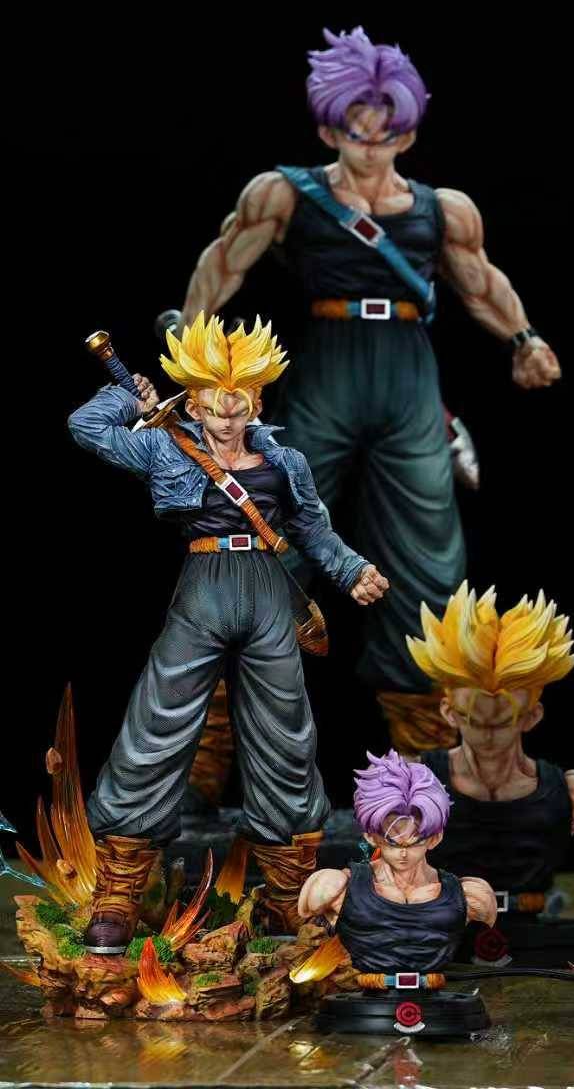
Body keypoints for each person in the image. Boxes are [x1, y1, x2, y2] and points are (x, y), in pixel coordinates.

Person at [174, 27, 560, 757]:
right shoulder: (283, 192)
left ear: (406, 135)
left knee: (428, 551)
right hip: (328, 366)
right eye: (358, 132)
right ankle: (218, 729)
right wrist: (191, 344)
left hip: (408, 376)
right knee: (272, 520)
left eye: (388, 134)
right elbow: (223, 263)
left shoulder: (443, 208)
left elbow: (480, 282)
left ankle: (422, 754)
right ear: (331, 130)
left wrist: (525, 339)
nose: (373, 146)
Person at [67, 314, 387, 952]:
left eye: (240, 397)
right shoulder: (165, 445)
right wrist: (129, 395)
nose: (227, 409)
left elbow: (313, 528)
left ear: (257, 401)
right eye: (214, 398)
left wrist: (351, 569)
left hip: (267, 591)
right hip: (204, 588)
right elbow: (86, 427)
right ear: (194, 400)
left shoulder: (284, 461)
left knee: (285, 732)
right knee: (157, 724)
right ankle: (120, 890)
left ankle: (288, 895)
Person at [405, 584, 574, 937]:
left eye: (502, 722)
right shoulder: (414, 782)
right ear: (449, 713)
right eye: (474, 720)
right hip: (441, 930)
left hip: (537, 933)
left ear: (532, 717)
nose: (487, 735)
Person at [300, 752, 498, 977]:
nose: (403, 854)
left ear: (435, 838)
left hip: (437, 993)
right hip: (361, 992)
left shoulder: (469, 895)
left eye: (415, 843)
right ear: (371, 836)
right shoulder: (335, 887)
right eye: (392, 843)